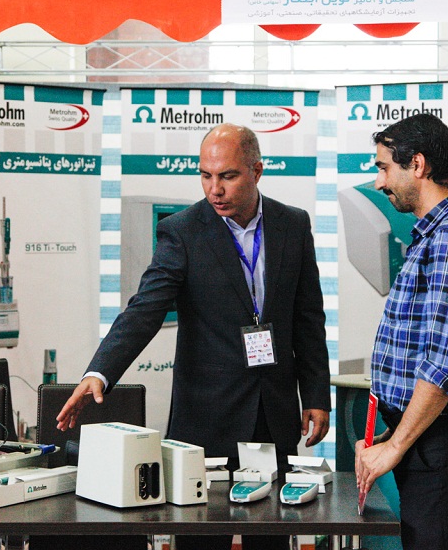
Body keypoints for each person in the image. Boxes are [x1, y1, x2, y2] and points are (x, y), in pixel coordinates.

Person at [57, 123, 331, 550]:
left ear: (257, 171)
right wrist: (100, 372)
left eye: (228, 176)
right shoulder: (182, 231)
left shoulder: (292, 224)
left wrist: (315, 395)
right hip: (205, 418)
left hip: (272, 412)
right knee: (201, 538)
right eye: (206, 176)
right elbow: (145, 309)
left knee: (270, 538)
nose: (214, 189)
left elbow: (307, 317)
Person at [354, 113, 448, 550]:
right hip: (430, 438)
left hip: (446, 446)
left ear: (417, 164)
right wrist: (394, 435)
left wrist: (394, 447)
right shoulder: (436, 233)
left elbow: (444, 364)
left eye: (384, 167)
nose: (380, 182)